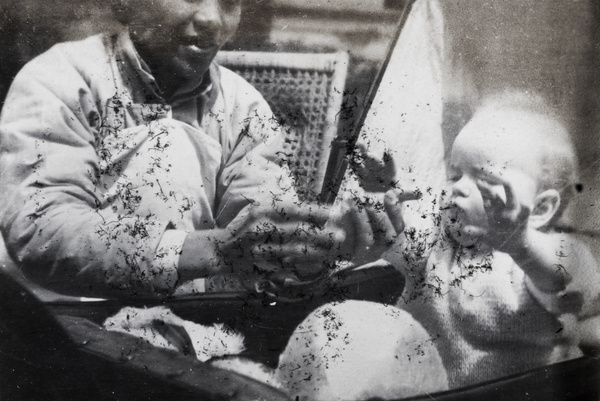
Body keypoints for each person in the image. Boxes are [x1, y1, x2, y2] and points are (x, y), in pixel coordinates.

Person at [0, 0, 370, 298]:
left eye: (229, 2)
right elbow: (43, 232)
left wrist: (316, 255)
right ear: (126, 5)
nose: (212, 18)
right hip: (62, 328)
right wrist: (216, 250)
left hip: (183, 329)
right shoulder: (61, 80)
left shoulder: (244, 108)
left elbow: (261, 240)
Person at [275, 92, 600, 398]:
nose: (458, 189)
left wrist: (520, 245)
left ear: (541, 208)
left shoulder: (553, 252)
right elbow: (396, 235)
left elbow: (566, 283)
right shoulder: (439, 243)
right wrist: (383, 194)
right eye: (454, 174)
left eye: (485, 180)